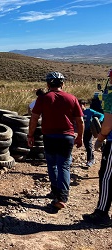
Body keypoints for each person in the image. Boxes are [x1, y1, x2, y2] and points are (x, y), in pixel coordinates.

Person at [27, 72, 84, 210]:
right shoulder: (72, 98)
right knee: (64, 166)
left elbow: (34, 118)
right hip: (67, 137)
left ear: (48, 84)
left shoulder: (43, 99)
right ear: (62, 84)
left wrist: (30, 135)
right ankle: (62, 197)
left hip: (49, 137)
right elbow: (80, 120)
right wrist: (80, 136)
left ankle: (54, 191)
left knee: (52, 165)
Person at [83, 69, 112, 226]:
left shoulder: (110, 96)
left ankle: (101, 214)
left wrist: (100, 138)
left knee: (106, 177)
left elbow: (107, 125)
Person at [79, 99, 104, 168]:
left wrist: (99, 121)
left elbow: (101, 115)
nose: (79, 107)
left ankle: (90, 160)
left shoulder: (89, 111)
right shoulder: (77, 112)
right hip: (82, 131)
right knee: (87, 145)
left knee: (88, 145)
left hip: (89, 130)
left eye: (80, 105)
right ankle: (91, 159)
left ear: (84, 105)